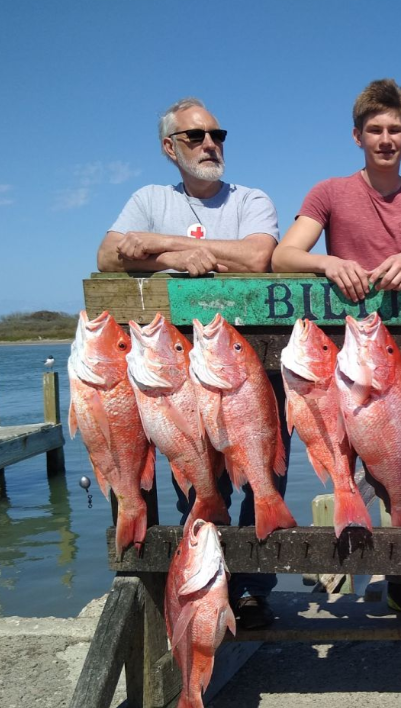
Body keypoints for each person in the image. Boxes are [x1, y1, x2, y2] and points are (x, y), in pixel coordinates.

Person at [98, 97, 286, 630]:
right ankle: (202, 580)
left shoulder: (251, 198)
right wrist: (181, 257)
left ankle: (252, 588)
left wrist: (157, 246)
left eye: (217, 134)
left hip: (243, 366)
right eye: (196, 136)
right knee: (198, 471)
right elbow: (107, 255)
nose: (210, 144)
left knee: (259, 475)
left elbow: (257, 257)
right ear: (168, 147)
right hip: (175, 368)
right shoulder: (149, 197)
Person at [271, 78, 401, 612]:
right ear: (357, 136)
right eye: (375, 129)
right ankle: (374, 562)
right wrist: (327, 262)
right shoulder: (328, 193)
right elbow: (284, 255)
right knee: (348, 463)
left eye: (395, 130)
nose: (385, 138)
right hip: (347, 362)